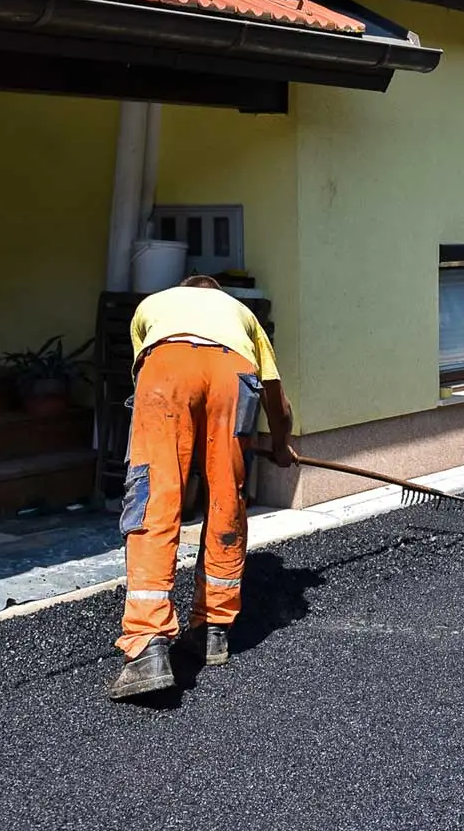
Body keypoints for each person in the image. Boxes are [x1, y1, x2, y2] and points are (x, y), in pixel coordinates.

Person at [108, 274, 295, 700]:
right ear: (217, 294)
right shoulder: (243, 315)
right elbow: (276, 400)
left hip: (167, 367)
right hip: (234, 373)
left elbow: (149, 375)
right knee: (228, 497)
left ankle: (147, 646)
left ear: (184, 288)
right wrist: (282, 446)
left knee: (155, 495)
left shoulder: (153, 306)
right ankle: (212, 630)